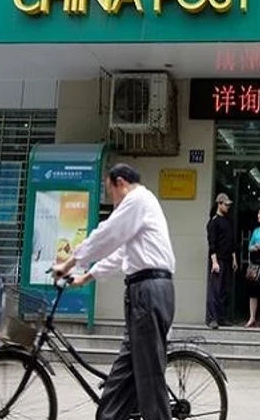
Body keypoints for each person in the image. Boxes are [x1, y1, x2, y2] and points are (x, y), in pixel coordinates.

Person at [53, 163, 175, 420]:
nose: (112, 200)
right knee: (122, 377)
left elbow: (106, 234)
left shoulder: (137, 200)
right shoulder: (140, 208)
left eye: (110, 192)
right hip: (143, 292)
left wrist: (68, 264)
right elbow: (121, 253)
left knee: (150, 379)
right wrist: (87, 276)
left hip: (148, 291)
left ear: (120, 183)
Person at [206, 193, 238, 329]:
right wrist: (214, 262)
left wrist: (234, 259)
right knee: (215, 290)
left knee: (224, 290)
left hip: (227, 259)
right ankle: (212, 318)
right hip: (218, 259)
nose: (228, 207)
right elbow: (212, 243)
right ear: (219, 204)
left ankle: (222, 317)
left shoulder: (228, 221)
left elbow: (232, 242)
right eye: (225, 204)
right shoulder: (214, 222)